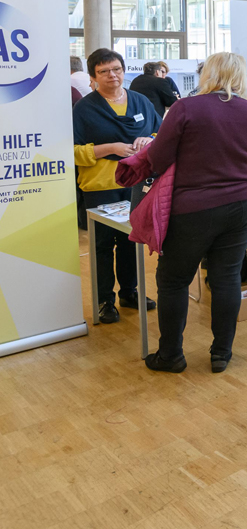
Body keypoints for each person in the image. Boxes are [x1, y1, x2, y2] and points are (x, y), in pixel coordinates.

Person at [140, 52, 247, 374]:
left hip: (193, 207)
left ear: (206, 74)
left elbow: (157, 159)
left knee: (173, 280)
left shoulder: (186, 108)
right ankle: (221, 353)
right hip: (242, 203)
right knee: (226, 277)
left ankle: (171, 355)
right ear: (240, 76)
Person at [73, 49, 160, 324]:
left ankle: (129, 292)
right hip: (100, 185)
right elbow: (72, 151)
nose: (112, 75)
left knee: (130, 240)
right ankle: (104, 301)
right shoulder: (84, 108)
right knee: (101, 245)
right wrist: (110, 148)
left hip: (136, 182)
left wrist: (149, 141)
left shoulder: (141, 101)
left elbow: (160, 134)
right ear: (93, 77)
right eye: (104, 71)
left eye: (117, 69)